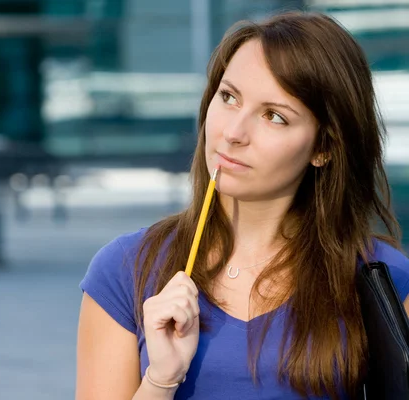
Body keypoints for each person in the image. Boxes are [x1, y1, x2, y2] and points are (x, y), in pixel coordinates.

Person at [76, 11, 409, 400]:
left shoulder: (383, 281)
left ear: (323, 148)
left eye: (273, 116)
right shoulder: (124, 271)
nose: (232, 133)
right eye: (229, 97)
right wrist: (161, 379)